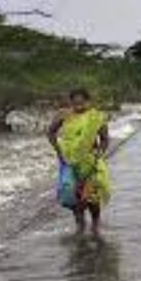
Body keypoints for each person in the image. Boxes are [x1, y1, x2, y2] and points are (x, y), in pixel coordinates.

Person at [48, 88, 112, 236]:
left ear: (88, 102)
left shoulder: (96, 117)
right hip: (69, 161)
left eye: (82, 103)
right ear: (70, 102)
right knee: (71, 193)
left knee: (91, 195)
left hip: (90, 162)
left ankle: (95, 224)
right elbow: (50, 132)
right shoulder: (63, 115)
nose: (79, 106)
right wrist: (58, 151)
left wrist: (99, 154)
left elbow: (105, 139)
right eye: (75, 103)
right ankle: (80, 223)